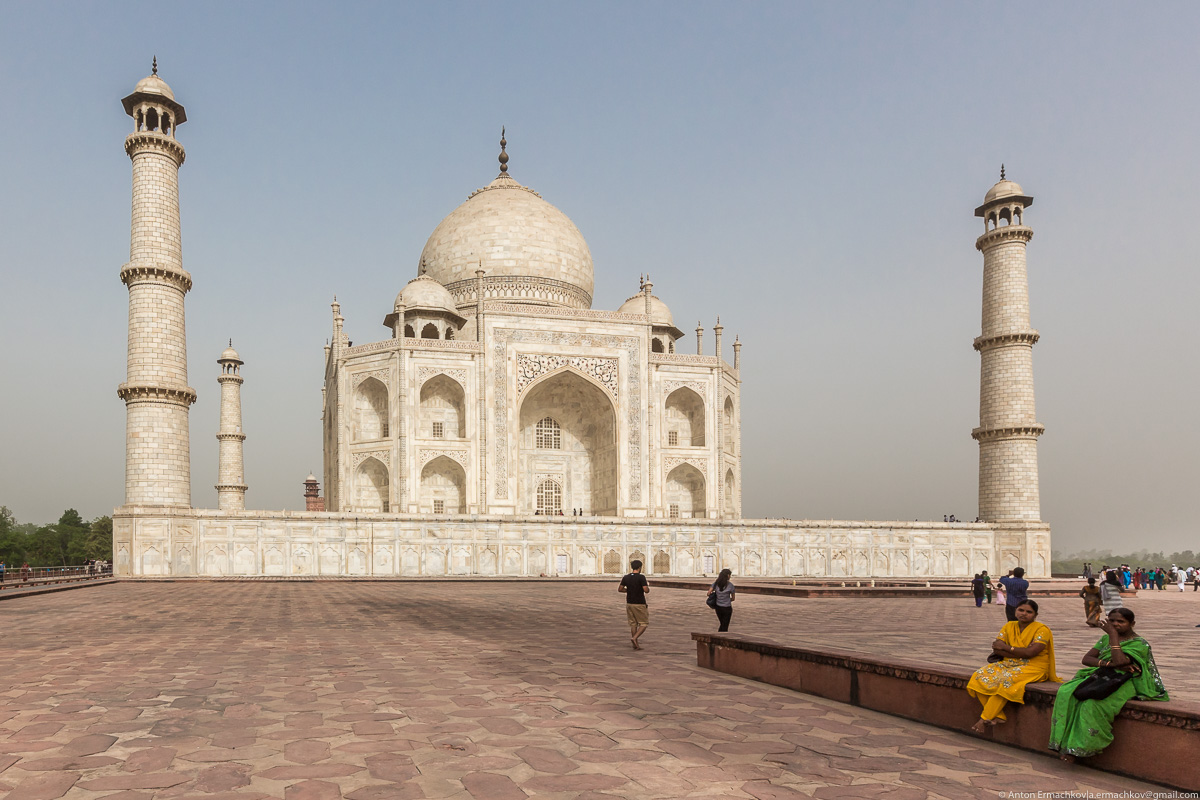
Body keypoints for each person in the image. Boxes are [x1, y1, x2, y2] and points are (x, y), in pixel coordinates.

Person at [1048, 608, 1168, 762]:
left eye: (1121, 621)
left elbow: (1120, 661)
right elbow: (1087, 659)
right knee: (1066, 693)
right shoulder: (1105, 639)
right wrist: (1108, 664)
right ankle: (1063, 744)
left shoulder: (1140, 644)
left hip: (1127, 681)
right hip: (1103, 676)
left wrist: (1113, 637)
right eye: (1112, 621)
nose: (1115, 624)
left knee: (1092, 704)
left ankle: (1082, 748)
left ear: (1132, 624)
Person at [966, 599, 1060, 733]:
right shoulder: (1009, 626)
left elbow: (1031, 653)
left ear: (1035, 615)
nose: (1024, 614)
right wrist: (1018, 652)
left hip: (1034, 667)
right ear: (1015, 611)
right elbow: (997, 648)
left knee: (1006, 681)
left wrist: (1007, 648)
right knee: (978, 676)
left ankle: (984, 719)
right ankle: (999, 715)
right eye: (1021, 610)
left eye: (1029, 612)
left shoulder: (1041, 629)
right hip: (1009, 663)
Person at [618, 559, 650, 650]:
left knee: (633, 624)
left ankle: (635, 644)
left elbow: (620, 589)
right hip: (639, 603)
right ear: (640, 567)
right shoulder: (641, 577)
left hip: (629, 602)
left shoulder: (626, 577)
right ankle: (634, 638)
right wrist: (647, 587)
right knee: (644, 623)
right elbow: (646, 590)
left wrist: (629, 590)